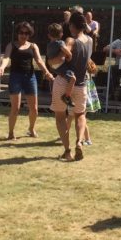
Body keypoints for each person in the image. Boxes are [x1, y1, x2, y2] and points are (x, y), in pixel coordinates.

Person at [0, 22, 53, 140]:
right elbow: (6, 58)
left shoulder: (33, 46)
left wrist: (47, 72)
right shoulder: (11, 45)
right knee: (15, 108)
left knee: (34, 108)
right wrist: (2, 67)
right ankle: (11, 133)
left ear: (29, 34)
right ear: (17, 33)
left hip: (30, 77)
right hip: (15, 77)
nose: (23, 35)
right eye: (21, 32)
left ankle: (31, 129)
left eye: (26, 33)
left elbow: (39, 61)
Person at [52, 12, 93, 162]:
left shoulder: (70, 39)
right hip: (81, 83)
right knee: (80, 115)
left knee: (60, 117)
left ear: (71, 26)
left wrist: (52, 61)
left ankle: (68, 151)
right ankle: (79, 142)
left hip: (64, 81)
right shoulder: (89, 40)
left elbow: (64, 55)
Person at [45, 23, 76, 107]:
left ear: (49, 35)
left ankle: (53, 86)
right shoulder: (60, 43)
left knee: (63, 75)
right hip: (60, 66)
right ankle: (67, 96)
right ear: (61, 34)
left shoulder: (49, 45)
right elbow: (66, 50)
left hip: (53, 68)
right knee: (73, 78)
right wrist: (70, 55)